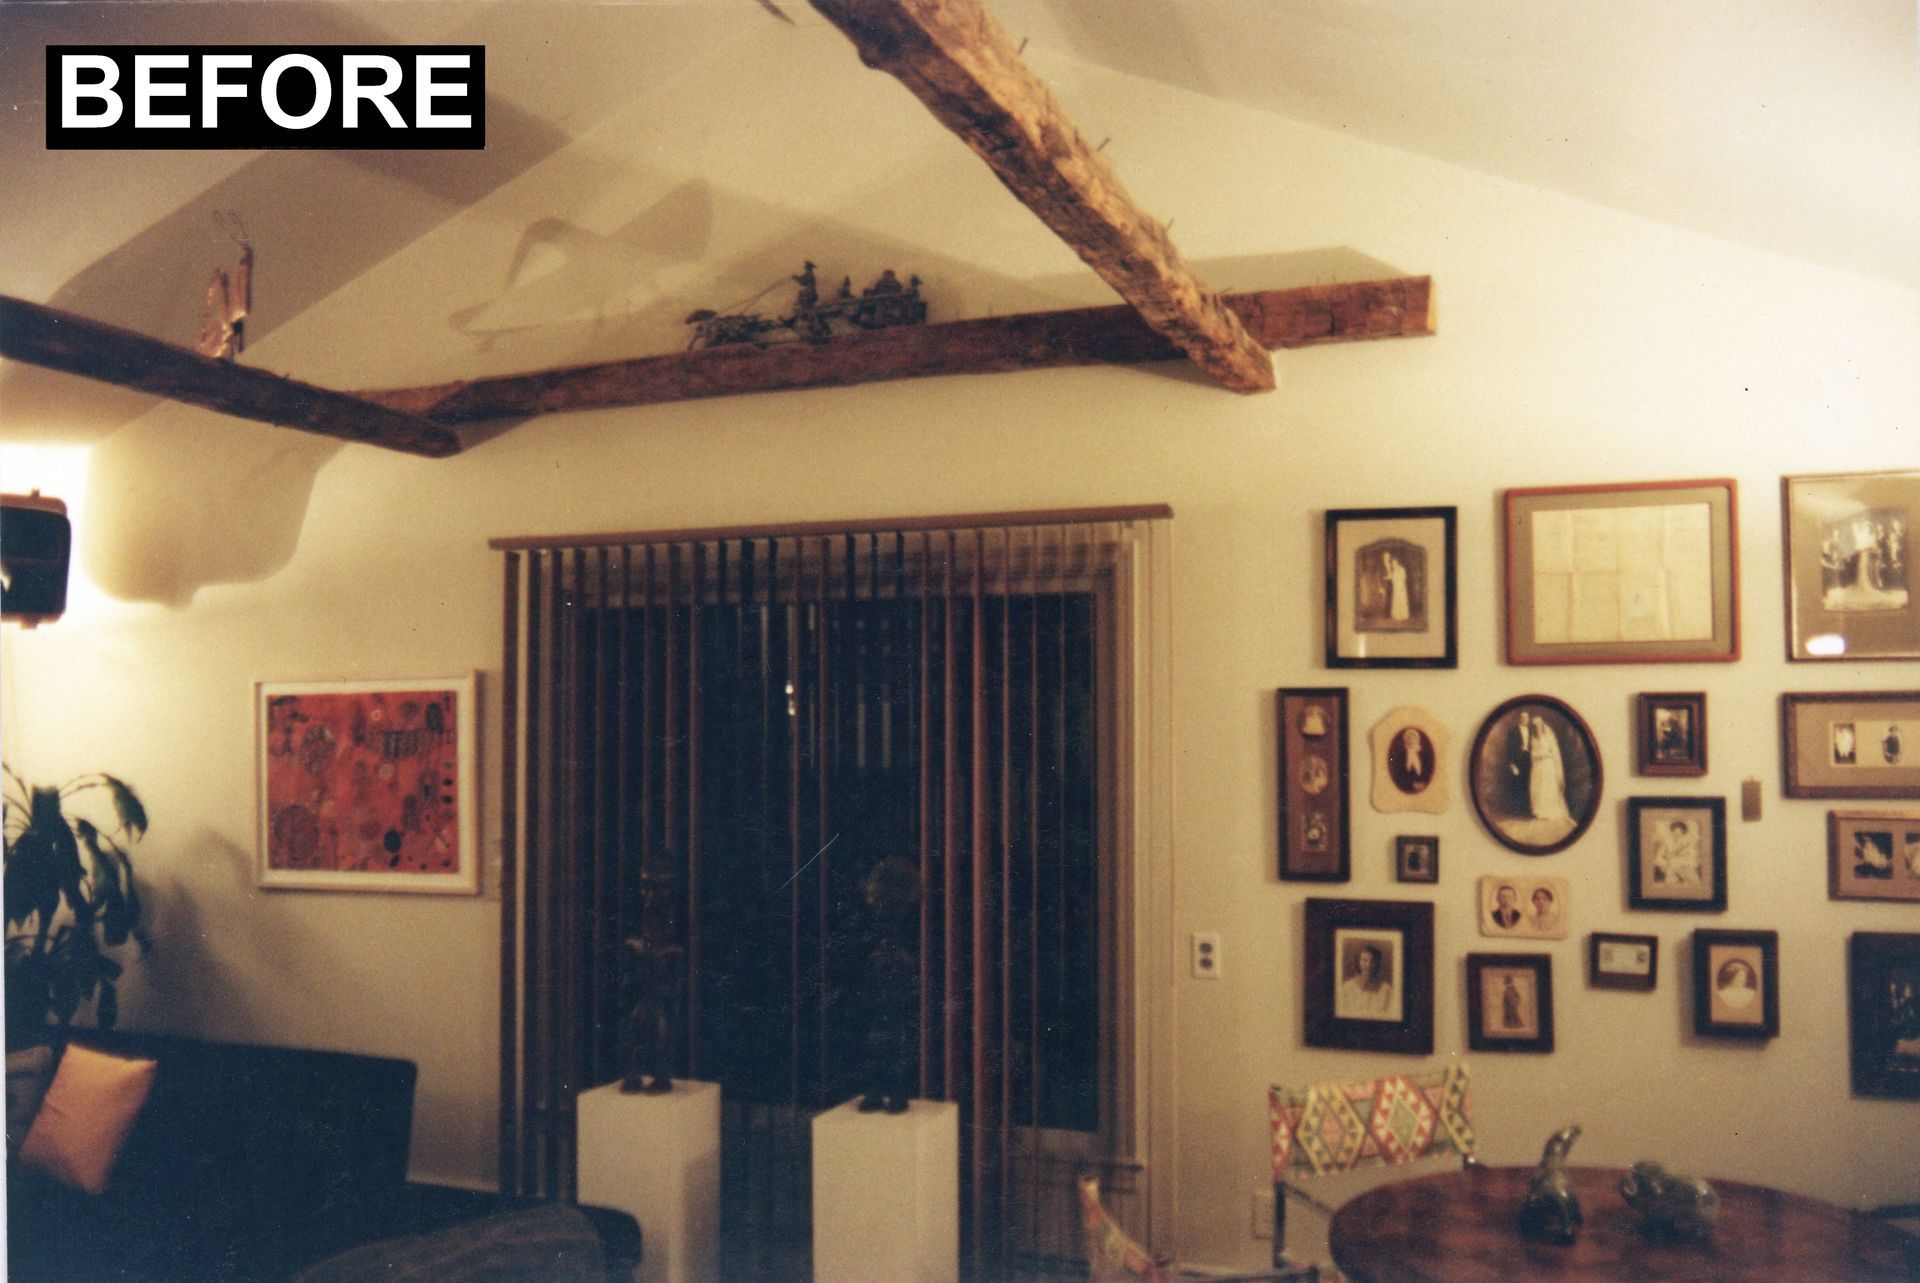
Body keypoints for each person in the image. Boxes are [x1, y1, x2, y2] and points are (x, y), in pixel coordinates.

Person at [1528, 714, 1571, 823]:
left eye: (1538, 725)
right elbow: (1532, 752)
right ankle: (1539, 810)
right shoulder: (1533, 738)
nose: (1537, 727)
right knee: (1538, 786)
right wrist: (1536, 755)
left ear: (1542, 725)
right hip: (1538, 765)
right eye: (1535, 726)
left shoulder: (1548, 736)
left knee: (1547, 786)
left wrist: (1543, 754)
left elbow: (1553, 752)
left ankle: (1549, 810)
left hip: (1547, 764)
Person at [1340, 944, 1394, 1018]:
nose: (1368, 965)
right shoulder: (1347, 987)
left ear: (1377, 964)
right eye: (1364, 960)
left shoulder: (1386, 989)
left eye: (1372, 961)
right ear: (1358, 962)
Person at [1652, 819, 1700, 885]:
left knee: (1692, 879)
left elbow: (1692, 855)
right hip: (1671, 864)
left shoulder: (1687, 843)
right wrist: (1665, 864)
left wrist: (1687, 860)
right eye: (1675, 830)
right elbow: (1659, 855)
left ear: (1683, 832)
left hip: (1684, 864)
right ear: (1672, 831)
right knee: (1671, 880)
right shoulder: (1667, 842)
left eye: (1680, 831)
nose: (1677, 833)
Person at [1381, 551, 1410, 623]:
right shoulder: (1394, 571)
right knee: (1396, 600)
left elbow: (1403, 578)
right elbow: (1390, 578)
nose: (1393, 564)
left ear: (1397, 562)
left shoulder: (1402, 569)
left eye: (1394, 563)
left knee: (1402, 600)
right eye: (1392, 563)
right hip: (1396, 588)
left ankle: (1403, 615)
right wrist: (1385, 579)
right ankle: (1396, 615)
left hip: (1401, 587)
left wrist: (1401, 585)